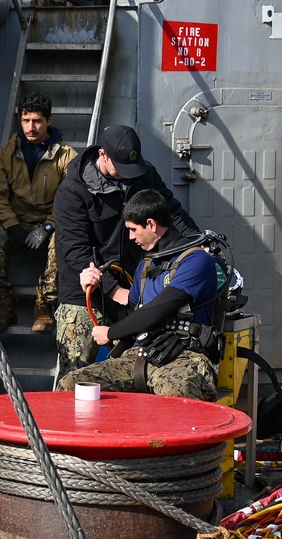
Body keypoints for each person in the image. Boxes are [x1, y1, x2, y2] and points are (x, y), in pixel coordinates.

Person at [53, 124, 200, 378]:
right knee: (75, 376)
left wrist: (197, 246)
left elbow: (171, 212)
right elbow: (75, 251)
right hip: (87, 290)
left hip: (135, 286)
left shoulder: (144, 175)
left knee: (135, 373)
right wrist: (113, 289)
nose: (126, 175)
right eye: (120, 168)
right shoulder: (72, 192)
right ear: (103, 156)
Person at [56, 190, 220, 400]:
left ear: (151, 224)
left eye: (133, 229)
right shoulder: (146, 265)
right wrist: (94, 290)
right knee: (71, 385)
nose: (131, 237)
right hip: (140, 354)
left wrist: (111, 333)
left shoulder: (197, 261)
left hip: (184, 357)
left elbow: (158, 310)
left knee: (178, 395)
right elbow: (130, 315)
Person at [0, 92, 76, 332]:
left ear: (49, 120)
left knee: (65, 241)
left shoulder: (66, 156)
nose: (31, 127)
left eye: (37, 121)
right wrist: (12, 227)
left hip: (50, 225)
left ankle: (44, 305)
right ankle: (3, 304)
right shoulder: (7, 155)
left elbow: (71, 201)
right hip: (16, 223)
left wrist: (48, 226)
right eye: (26, 120)